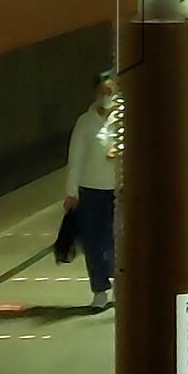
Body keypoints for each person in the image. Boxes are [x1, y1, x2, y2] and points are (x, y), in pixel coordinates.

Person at [64, 70, 119, 311]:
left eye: (109, 91)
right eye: (101, 91)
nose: (105, 95)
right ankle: (99, 289)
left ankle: (120, 282)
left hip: (119, 190)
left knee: (116, 239)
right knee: (93, 241)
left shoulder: (125, 117)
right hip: (90, 190)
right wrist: (71, 191)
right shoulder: (85, 122)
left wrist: (120, 152)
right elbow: (74, 157)